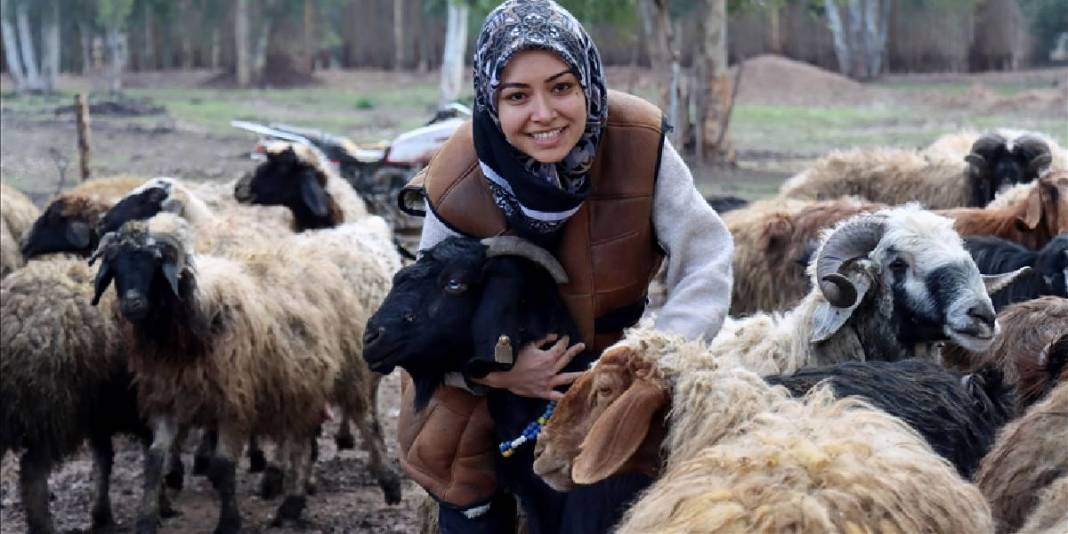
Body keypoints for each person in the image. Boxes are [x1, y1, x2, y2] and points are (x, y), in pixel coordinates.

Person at [396, 1, 733, 532]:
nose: (545, 113)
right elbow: (426, 309)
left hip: (611, 377)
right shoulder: (459, 173)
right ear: (490, 100)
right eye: (517, 96)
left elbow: (707, 256)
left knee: (608, 509)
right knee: (471, 509)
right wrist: (499, 370)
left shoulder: (638, 141)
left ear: (588, 83)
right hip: (487, 384)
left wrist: (653, 358)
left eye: (561, 87)